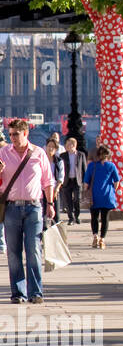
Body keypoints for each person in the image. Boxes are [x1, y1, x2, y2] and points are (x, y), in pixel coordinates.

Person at [1, 118, 57, 304]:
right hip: (11, 207)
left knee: (33, 249)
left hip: (34, 207)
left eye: (16, 134)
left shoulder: (38, 153)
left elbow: (48, 181)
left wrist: (50, 204)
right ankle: (18, 292)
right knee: (14, 252)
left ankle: (36, 292)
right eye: (10, 135)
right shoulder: (3, 153)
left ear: (26, 133)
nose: (13, 138)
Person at [85, 145, 120, 250]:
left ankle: (95, 235)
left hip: (94, 196)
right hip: (107, 195)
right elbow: (116, 181)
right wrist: (113, 190)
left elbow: (86, 183)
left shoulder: (92, 166)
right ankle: (102, 239)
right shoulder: (111, 166)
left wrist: (86, 191)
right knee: (105, 219)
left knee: (94, 217)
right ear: (108, 155)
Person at [60, 136, 87, 225]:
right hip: (67, 181)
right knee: (68, 200)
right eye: (66, 145)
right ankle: (70, 218)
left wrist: (85, 181)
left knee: (77, 199)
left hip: (77, 180)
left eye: (69, 145)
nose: (67, 146)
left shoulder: (80, 155)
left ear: (73, 145)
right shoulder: (63, 155)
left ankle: (77, 216)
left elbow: (84, 168)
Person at [45, 138, 65, 222]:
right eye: (49, 146)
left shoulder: (59, 161)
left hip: (54, 189)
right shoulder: (42, 160)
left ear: (56, 149)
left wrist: (57, 188)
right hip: (43, 189)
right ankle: (44, 231)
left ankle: (56, 232)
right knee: (43, 215)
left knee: (56, 215)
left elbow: (61, 176)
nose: (50, 148)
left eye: (53, 147)